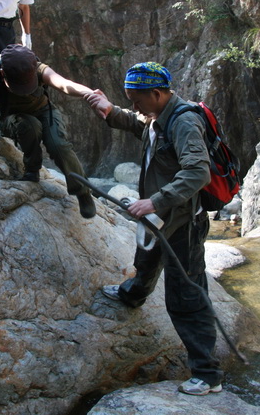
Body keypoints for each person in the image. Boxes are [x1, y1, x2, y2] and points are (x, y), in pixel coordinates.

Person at [84, 62, 224, 396]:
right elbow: (138, 124)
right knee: (146, 260)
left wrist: (154, 201)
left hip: (182, 223)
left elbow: (197, 173)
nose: (134, 106)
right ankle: (133, 295)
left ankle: (208, 375)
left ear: (158, 94)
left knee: (186, 295)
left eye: (137, 99)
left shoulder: (184, 122)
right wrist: (110, 110)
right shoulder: (157, 116)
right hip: (159, 216)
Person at [0, 44, 97, 219]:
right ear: (3, 74)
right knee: (29, 125)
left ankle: (83, 192)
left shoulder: (38, 68)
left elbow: (64, 84)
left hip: (44, 111)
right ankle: (32, 169)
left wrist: (90, 94)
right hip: (11, 116)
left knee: (58, 145)